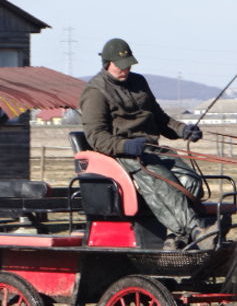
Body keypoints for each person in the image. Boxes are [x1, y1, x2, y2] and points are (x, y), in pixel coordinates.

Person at [79, 38, 217, 250]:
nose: (126, 69)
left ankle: (175, 239)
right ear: (107, 63)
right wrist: (126, 146)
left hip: (152, 150)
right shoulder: (96, 91)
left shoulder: (139, 82)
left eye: (128, 64)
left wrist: (183, 130)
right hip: (122, 156)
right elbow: (96, 137)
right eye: (120, 65)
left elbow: (160, 118)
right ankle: (198, 232)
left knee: (191, 181)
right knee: (165, 183)